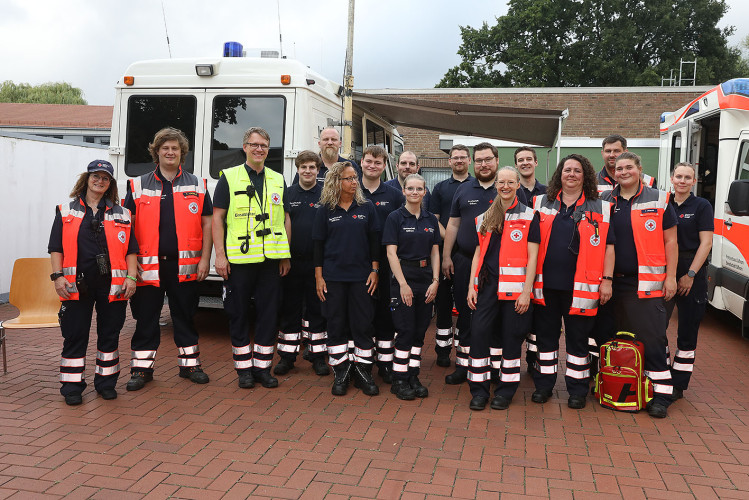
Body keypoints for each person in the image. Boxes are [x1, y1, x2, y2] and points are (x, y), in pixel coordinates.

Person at [124, 128, 213, 391]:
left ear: (182, 153)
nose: (170, 152)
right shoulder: (138, 185)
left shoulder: (197, 184)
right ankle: (141, 370)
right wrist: (131, 264)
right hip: (147, 266)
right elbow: (125, 227)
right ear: (157, 152)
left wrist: (205, 259)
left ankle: (190, 366)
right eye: (165, 148)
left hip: (184, 265)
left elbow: (207, 225)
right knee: (146, 318)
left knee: (184, 316)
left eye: (175, 148)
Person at [48, 160, 138, 405]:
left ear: (110, 184)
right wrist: (57, 278)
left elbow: (131, 249)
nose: (100, 181)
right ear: (86, 179)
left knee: (109, 334)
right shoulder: (65, 210)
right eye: (95, 176)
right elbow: (55, 248)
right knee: (75, 335)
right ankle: (72, 387)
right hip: (76, 285)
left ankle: (106, 383)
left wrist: (131, 278)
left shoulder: (123, 213)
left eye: (105, 178)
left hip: (113, 286)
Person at [530, 154, 615, 409]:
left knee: (578, 340)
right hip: (545, 285)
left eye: (577, 171)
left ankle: (577, 390)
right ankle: (543, 386)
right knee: (545, 338)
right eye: (567, 170)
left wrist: (607, 281)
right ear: (560, 174)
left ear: (585, 176)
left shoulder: (600, 207)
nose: (572, 175)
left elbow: (609, 248)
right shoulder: (540, 202)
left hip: (582, 288)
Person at [213, 127, 291, 389]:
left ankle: (262, 368)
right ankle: (244, 370)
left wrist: (285, 255)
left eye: (264, 146)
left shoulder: (278, 179)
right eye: (254, 145)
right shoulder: (229, 177)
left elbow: (285, 218)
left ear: (269, 149)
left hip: (271, 260)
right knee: (238, 314)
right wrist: (220, 257)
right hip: (239, 261)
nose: (259, 149)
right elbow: (218, 219)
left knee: (269, 314)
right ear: (245, 147)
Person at [601, 152, 678, 418]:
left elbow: (671, 242)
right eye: (619, 168)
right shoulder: (604, 201)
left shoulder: (658, 199)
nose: (623, 172)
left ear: (639, 169)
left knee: (652, 337)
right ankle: (622, 385)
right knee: (614, 336)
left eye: (628, 167)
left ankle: (662, 394)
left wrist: (670, 276)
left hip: (645, 283)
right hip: (611, 282)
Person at [465, 166, 539, 410]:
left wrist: (527, 291)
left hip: (516, 290)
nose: (505, 186)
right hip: (487, 287)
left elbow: (533, 257)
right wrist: (471, 287)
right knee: (479, 335)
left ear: (518, 185)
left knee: (511, 339)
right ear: (496, 185)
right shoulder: (485, 217)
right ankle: (479, 390)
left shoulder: (529, 216)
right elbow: (477, 254)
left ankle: (505, 392)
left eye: (510, 182)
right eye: (501, 182)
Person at [313, 161, 381, 396]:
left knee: (362, 325)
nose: (354, 182)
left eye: (355, 178)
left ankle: (363, 372)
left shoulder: (367, 207)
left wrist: (375, 270)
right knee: (336, 325)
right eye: (349, 178)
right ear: (336, 182)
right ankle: (341, 372)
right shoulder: (325, 210)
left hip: (362, 278)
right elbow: (318, 246)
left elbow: (374, 242)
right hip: (333, 278)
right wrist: (319, 277)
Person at [590, 134, 654, 371]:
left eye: (616, 151)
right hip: (603, 273)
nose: (612, 155)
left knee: (640, 329)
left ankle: (634, 373)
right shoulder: (593, 182)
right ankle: (601, 373)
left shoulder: (650, 185)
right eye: (607, 151)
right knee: (600, 329)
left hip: (637, 274)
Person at [441, 143, 498, 384]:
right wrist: (446, 256)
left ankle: (493, 368)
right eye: (479, 160)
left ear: (496, 160)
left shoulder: (506, 188)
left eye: (488, 159)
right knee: (465, 313)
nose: (483, 164)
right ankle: (463, 366)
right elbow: (453, 224)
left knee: (494, 316)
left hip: (497, 266)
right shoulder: (463, 190)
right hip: (463, 260)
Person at [383, 174, 441, 400]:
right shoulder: (395, 218)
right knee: (405, 331)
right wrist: (403, 284)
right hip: (403, 278)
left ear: (425, 192)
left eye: (419, 188)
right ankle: (399, 378)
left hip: (426, 278)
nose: (415, 192)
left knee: (419, 332)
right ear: (404, 191)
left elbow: (435, 251)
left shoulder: (430, 219)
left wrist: (436, 281)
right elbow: (391, 253)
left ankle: (413, 375)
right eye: (410, 188)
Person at [275, 151, 330, 377]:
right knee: (290, 309)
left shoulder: (326, 195)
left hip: (318, 265)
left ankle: (317, 357)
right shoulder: (287, 194)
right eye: (304, 167)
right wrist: (283, 257)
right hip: (292, 263)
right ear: (297, 169)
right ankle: (287, 357)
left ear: (318, 171)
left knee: (317, 310)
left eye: (312, 167)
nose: (308, 171)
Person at [665, 162, 714, 401]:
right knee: (655, 327)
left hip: (691, 270)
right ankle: (661, 375)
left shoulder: (702, 206)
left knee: (687, 330)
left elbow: (706, 243)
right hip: (666, 270)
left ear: (694, 182)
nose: (682, 181)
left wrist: (690, 275)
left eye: (688, 178)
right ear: (672, 178)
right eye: (679, 176)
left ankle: (678, 385)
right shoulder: (664, 202)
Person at [361, 145, 405, 383]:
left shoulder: (394, 195)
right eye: (369, 161)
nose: (372, 166)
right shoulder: (350, 188)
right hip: (358, 263)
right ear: (361, 162)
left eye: (378, 163)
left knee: (386, 316)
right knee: (362, 314)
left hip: (388, 264)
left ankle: (386, 364)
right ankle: (363, 363)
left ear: (384, 166)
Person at [429, 145, 473, 367]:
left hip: (468, 255)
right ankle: (443, 350)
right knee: (444, 304)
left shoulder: (477, 186)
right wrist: (451, 239)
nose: (458, 161)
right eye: (454, 158)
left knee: (467, 304)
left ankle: (465, 352)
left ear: (469, 160)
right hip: (445, 253)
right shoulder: (439, 188)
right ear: (449, 162)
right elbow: (434, 218)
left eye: (462, 157)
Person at [513, 145, 547, 370]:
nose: (524, 162)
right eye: (520, 160)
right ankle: (512, 358)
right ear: (516, 165)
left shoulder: (548, 192)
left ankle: (534, 360)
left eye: (528, 159)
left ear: (535, 163)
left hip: (541, 259)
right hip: (515, 262)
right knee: (516, 314)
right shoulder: (509, 190)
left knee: (539, 317)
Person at [292, 127, 361, 185]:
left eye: (333, 139)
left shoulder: (351, 166)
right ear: (319, 144)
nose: (330, 143)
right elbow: (296, 193)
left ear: (340, 144)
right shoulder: (307, 167)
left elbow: (359, 194)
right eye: (326, 139)